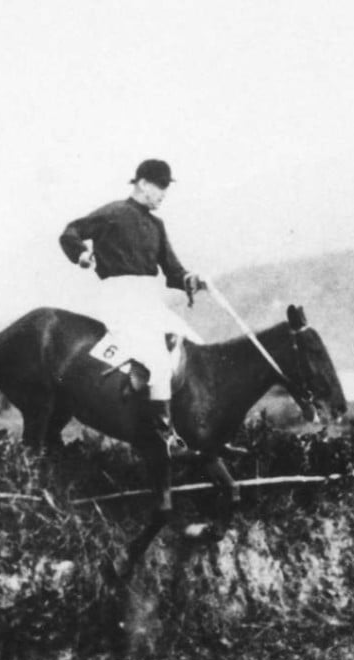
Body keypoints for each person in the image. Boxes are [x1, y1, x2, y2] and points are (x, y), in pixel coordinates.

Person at [60, 159, 206, 455]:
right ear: (142, 184)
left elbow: (173, 271)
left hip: (149, 300)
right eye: (161, 186)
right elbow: (71, 231)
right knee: (157, 361)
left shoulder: (157, 226)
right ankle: (165, 435)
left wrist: (191, 279)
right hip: (119, 300)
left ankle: (198, 428)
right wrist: (82, 255)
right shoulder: (113, 213)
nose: (164, 193)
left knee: (197, 348)